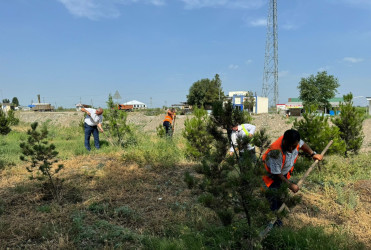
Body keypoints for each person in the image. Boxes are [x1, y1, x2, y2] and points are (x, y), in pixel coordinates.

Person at [262, 129, 323, 211]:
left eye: (294, 146)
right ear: (284, 140)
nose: (291, 149)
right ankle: (272, 220)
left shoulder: (295, 140)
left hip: (282, 174)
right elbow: (276, 173)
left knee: (280, 197)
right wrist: (290, 185)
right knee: (273, 199)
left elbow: (303, 144)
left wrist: (313, 154)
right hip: (271, 177)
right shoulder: (276, 152)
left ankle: (279, 215)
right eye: (288, 145)